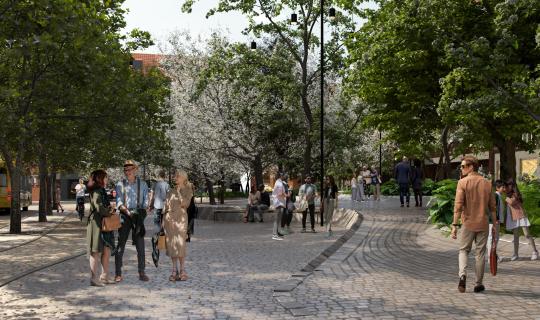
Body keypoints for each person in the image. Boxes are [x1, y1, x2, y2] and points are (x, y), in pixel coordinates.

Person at [451, 156, 498, 293]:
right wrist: (494, 224)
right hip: (483, 223)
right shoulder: (487, 183)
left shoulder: (462, 182)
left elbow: (458, 205)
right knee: (480, 253)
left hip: (468, 223)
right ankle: (478, 283)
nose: (461, 168)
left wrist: (454, 225)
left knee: (464, 250)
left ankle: (462, 275)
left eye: (463, 166)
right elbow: (493, 207)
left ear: (472, 166)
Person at [114, 160, 150, 282]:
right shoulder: (120, 184)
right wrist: (127, 211)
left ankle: (142, 272)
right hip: (125, 214)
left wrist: (141, 212)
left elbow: (146, 201)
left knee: (140, 245)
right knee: (121, 244)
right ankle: (118, 273)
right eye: (125, 170)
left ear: (135, 170)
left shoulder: (143, 184)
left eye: (130, 169)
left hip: (138, 215)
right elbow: (118, 201)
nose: (127, 172)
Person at [86, 170, 116, 286]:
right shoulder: (96, 191)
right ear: (100, 179)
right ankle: (94, 278)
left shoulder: (102, 190)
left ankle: (104, 276)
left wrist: (110, 209)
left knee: (107, 250)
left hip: (104, 223)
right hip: (96, 224)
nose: (107, 180)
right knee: (95, 251)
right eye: (105, 178)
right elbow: (98, 207)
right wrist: (109, 212)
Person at [162, 170, 193, 281]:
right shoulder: (171, 190)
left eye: (177, 176)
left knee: (180, 244)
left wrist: (179, 193)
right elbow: (165, 205)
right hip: (170, 221)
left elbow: (186, 204)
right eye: (175, 176)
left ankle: (183, 270)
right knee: (172, 245)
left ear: (183, 178)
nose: (175, 178)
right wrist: (164, 219)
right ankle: (174, 270)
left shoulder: (188, 189)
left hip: (181, 220)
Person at [505, 179, 538, 261]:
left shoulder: (516, 194)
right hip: (513, 217)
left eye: (508, 185)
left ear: (512, 186)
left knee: (527, 234)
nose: (507, 187)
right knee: (515, 236)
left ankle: (535, 251)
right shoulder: (509, 194)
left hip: (521, 216)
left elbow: (512, 202)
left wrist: (505, 198)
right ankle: (515, 254)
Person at [488, 180, 505, 261]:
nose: (504, 189)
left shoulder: (498, 196)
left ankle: (493, 256)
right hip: (494, 221)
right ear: (497, 188)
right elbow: (495, 209)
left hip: (495, 221)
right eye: (502, 187)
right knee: (492, 238)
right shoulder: (496, 196)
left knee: (494, 239)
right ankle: (490, 257)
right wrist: (496, 219)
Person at [271, 172, 286, 240]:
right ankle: (274, 235)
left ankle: (276, 232)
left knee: (278, 219)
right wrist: (286, 195)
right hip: (278, 203)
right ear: (281, 175)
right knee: (276, 219)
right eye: (284, 175)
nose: (285, 176)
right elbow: (280, 193)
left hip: (278, 202)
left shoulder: (279, 182)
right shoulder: (279, 183)